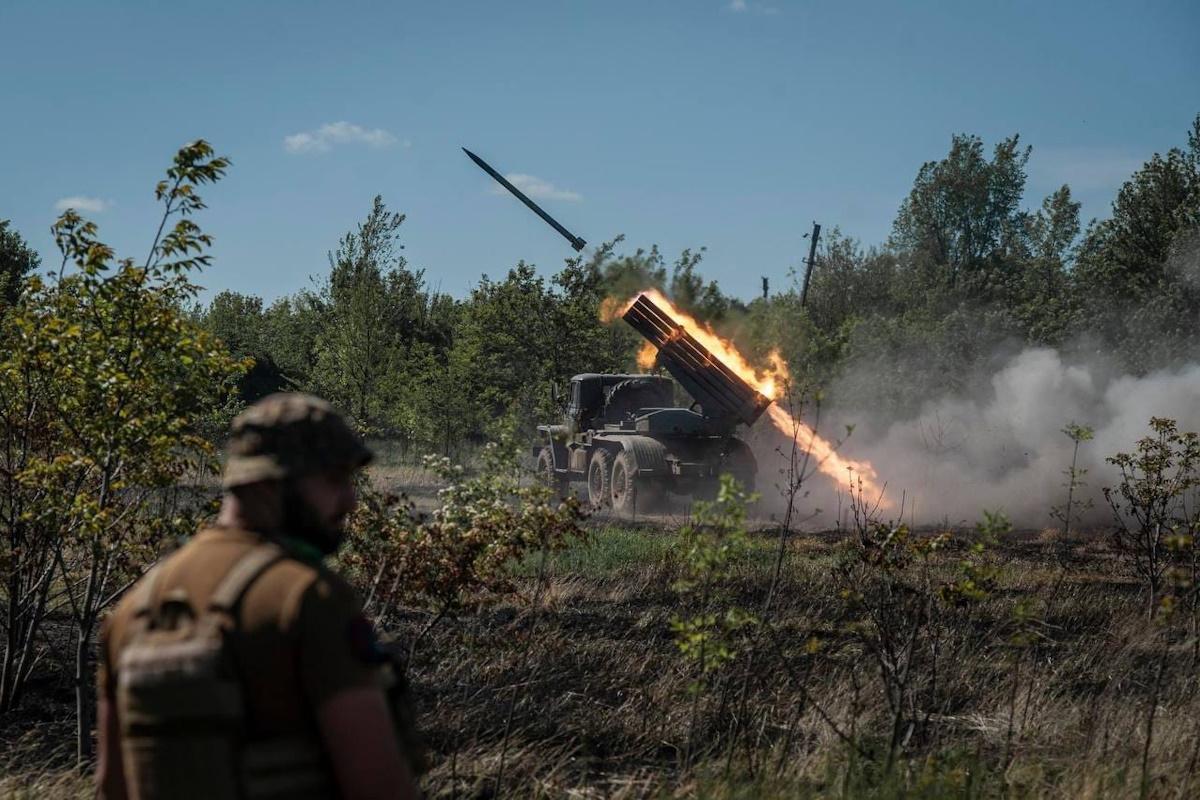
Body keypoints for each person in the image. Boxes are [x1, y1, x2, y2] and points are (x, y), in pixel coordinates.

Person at [96, 393, 421, 800]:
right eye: (333, 480)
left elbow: (113, 785)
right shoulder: (307, 597)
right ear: (269, 483)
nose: (350, 501)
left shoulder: (134, 608)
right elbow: (378, 787)